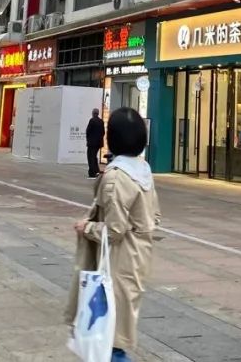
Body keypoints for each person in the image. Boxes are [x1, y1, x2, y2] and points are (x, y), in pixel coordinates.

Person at [69, 108, 160, 362]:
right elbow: (155, 216)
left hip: (117, 262)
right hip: (138, 257)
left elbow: (114, 230)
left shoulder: (117, 177)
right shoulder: (143, 170)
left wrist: (86, 227)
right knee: (112, 333)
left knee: (108, 337)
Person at [86, 108, 105, 179]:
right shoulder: (101, 121)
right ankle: (96, 170)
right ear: (98, 113)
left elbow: (88, 131)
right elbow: (103, 132)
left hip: (92, 143)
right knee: (94, 156)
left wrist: (88, 140)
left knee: (90, 157)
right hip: (98, 143)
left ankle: (92, 173)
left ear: (93, 113)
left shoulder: (92, 120)